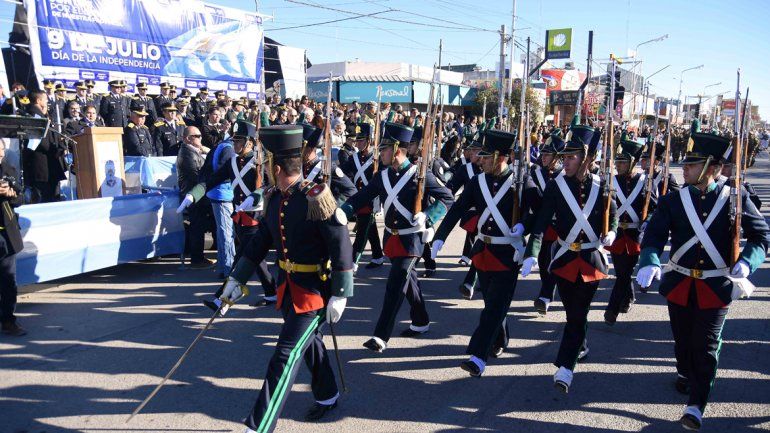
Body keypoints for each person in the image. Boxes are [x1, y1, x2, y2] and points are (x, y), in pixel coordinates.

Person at [217, 124, 354, 433]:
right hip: (288, 290)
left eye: (267, 163)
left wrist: (341, 292)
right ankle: (328, 394)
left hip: (314, 294)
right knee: (310, 346)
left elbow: (340, 241)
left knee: (284, 356)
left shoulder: (315, 197)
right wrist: (236, 280)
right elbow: (258, 243)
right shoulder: (277, 198)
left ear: (276, 166)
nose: (265, 168)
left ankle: (259, 426)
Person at [636, 132, 770, 431]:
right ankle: (685, 373)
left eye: (693, 165)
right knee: (683, 341)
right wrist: (650, 260)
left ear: (713, 168)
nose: (684, 168)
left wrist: (749, 261)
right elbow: (655, 235)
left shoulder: (736, 197)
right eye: (686, 163)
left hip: (716, 285)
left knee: (706, 345)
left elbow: (761, 236)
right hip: (680, 283)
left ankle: (697, 404)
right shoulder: (674, 199)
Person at [521, 124, 617, 393]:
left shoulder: (602, 185)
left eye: (571, 157)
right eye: (564, 157)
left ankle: (565, 367)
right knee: (573, 312)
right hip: (563, 257)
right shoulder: (556, 186)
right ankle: (581, 345)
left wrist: (612, 231)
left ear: (587, 159)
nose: (565, 162)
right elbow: (540, 222)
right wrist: (532, 252)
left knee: (578, 313)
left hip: (590, 259)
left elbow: (615, 213)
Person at [341, 122, 453, 352]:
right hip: (391, 239)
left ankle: (381, 336)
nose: (380, 153)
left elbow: (447, 198)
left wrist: (429, 217)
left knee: (395, 285)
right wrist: (342, 212)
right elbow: (360, 197)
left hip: (412, 240)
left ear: (396, 150)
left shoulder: (419, 175)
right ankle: (421, 321)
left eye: (384, 149)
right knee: (408, 280)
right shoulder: (381, 176)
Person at [432, 129, 527, 377]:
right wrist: (439, 236)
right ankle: (500, 339)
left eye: (485, 156)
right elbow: (457, 209)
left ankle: (478, 356)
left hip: (508, 253)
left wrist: (525, 226)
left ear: (500, 157)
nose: (479, 160)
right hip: (483, 250)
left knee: (494, 308)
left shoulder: (521, 182)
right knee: (493, 303)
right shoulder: (478, 181)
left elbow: (539, 212)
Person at [179, 119, 278, 308]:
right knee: (255, 259)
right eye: (234, 141)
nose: (235, 145)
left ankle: (221, 299)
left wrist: (256, 196)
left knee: (241, 259)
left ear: (250, 142)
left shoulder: (261, 160)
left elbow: (271, 183)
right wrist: (194, 195)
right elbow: (212, 179)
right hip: (240, 216)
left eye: (239, 141)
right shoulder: (233, 161)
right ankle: (272, 292)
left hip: (257, 217)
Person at [603, 136, 651, 325]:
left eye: (622, 162)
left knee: (624, 272)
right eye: (618, 161)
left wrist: (648, 220)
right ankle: (629, 297)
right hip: (617, 235)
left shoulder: (644, 182)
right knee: (622, 272)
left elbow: (654, 208)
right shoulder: (612, 181)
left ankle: (612, 309)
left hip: (634, 235)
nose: (618, 165)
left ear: (632, 163)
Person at [526, 131, 564, 314]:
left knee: (554, 261)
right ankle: (547, 291)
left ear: (557, 157)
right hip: (542, 224)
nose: (543, 157)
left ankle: (546, 295)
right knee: (542, 262)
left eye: (548, 154)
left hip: (561, 226)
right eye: (543, 153)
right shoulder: (535, 172)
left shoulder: (565, 175)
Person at [339, 122, 384, 270]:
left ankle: (353, 261)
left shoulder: (377, 160)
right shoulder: (354, 158)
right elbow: (343, 172)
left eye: (361, 140)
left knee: (362, 233)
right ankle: (378, 256)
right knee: (370, 229)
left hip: (370, 201)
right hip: (358, 198)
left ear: (369, 141)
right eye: (357, 140)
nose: (357, 143)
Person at [175, 126, 215, 270]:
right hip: (193, 195)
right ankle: (197, 259)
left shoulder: (192, 152)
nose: (200, 138)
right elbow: (198, 176)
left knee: (200, 226)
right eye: (196, 136)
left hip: (198, 195)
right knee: (197, 227)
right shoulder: (187, 154)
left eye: (200, 135)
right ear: (187, 139)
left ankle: (199, 257)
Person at [23, 91, 66, 203]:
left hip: (48, 165)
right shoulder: (35, 116)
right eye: (45, 99)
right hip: (42, 165)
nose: (47, 101)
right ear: (38, 101)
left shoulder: (41, 115)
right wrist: (55, 150)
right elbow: (40, 141)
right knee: (44, 197)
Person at [0, 142, 24, 336]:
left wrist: (11, 194)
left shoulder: (9, 169)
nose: (0, 155)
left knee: (8, 281)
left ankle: (9, 320)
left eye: (1, 151)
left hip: (6, 234)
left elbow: (21, 197)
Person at [300, 123, 357, 202]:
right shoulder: (300, 167)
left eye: (300, 148)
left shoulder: (329, 167)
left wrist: (333, 205)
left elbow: (351, 190)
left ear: (309, 149)